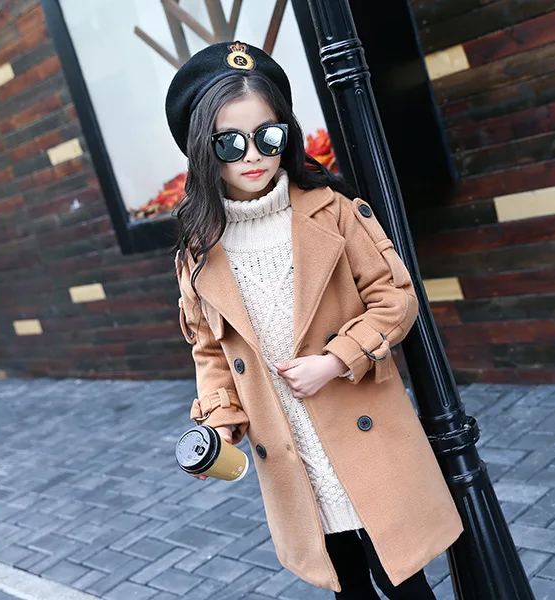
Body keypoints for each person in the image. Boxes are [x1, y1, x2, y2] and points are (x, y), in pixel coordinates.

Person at [165, 41, 463, 600]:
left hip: (362, 429)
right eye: (230, 142)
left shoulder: (334, 211)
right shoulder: (198, 251)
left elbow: (395, 299)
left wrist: (334, 360)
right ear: (203, 150)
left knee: (404, 582)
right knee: (347, 585)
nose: (253, 155)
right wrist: (221, 423)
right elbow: (210, 352)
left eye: (268, 136)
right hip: (290, 453)